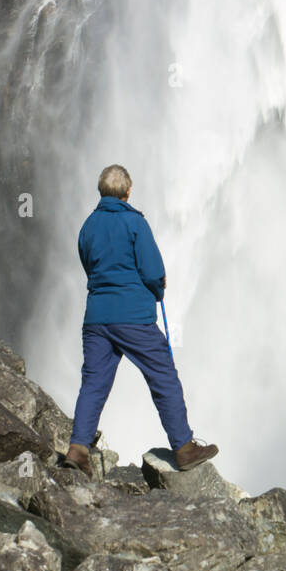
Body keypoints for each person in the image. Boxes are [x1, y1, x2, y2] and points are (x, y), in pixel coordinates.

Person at [63, 164, 217, 476]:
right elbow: (153, 270)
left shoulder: (88, 226)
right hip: (133, 317)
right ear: (128, 191)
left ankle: (78, 448)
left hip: (96, 318)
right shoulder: (135, 223)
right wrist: (157, 290)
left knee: (93, 382)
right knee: (163, 376)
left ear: (101, 192)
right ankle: (185, 448)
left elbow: (88, 264)